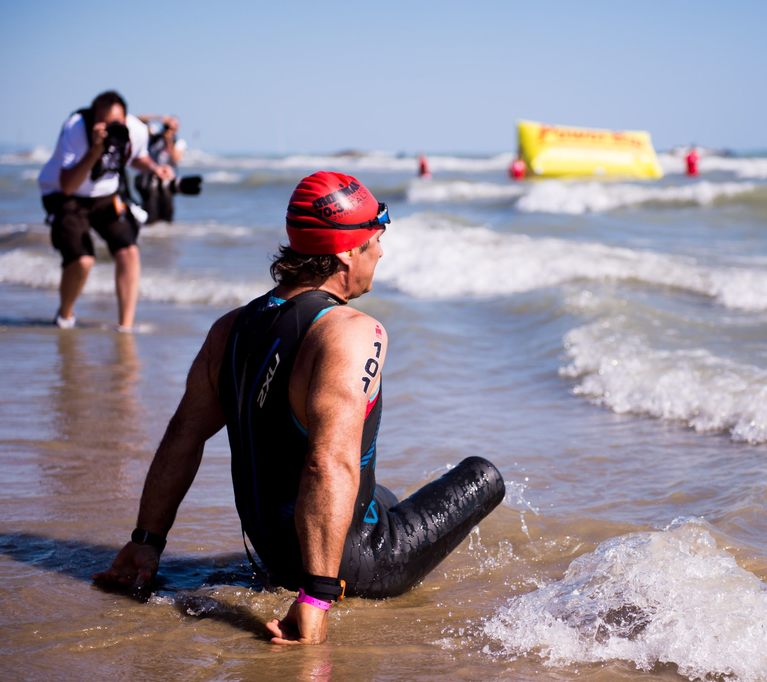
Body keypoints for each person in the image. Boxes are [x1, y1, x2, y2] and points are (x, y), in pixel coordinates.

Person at [94, 171, 506, 646]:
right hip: (354, 563)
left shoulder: (230, 329)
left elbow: (183, 435)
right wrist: (315, 598)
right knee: (482, 476)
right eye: (377, 237)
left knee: (381, 494)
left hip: (272, 552)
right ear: (347, 251)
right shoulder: (351, 333)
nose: (382, 252)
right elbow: (326, 463)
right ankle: (325, 585)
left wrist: (146, 543)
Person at [38, 90, 175, 331]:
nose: (113, 128)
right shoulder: (76, 129)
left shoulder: (135, 130)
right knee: (82, 261)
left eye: (117, 123)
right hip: (65, 195)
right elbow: (68, 185)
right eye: (105, 122)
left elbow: (136, 158)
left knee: (129, 252)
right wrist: (95, 150)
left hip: (105, 195)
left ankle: (125, 326)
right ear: (93, 118)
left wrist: (154, 168)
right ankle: (65, 316)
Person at [134, 114, 187, 223]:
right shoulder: (154, 136)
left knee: (167, 211)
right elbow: (137, 120)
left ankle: (164, 236)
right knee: (150, 209)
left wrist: (169, 141)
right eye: (168, 126)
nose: (170, 129)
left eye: (174, 127)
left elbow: (176, 159)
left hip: (167, 180)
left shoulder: (179, 142)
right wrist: (159, 118)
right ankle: (150, 234)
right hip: (148, 178)